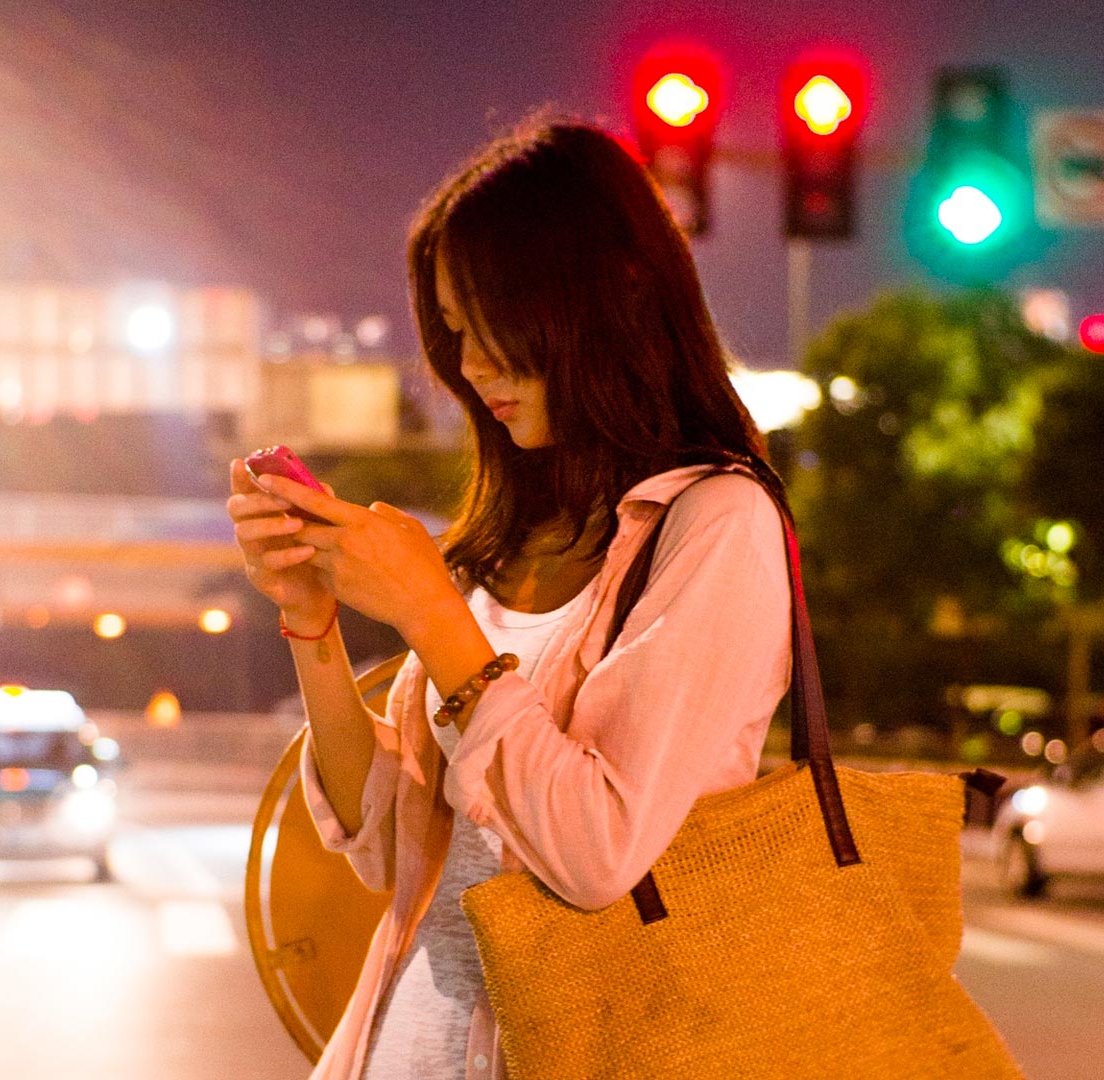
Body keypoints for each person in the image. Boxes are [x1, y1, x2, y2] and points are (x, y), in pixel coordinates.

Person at [225, 116, 795, 1080]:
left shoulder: (717, 526)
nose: (471, 361)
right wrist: (313, 621)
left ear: (609, 290)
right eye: (452, 326)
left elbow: (595, 852)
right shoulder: (509, 538)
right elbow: (386, 851)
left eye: (497, 318)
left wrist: (436, 626)